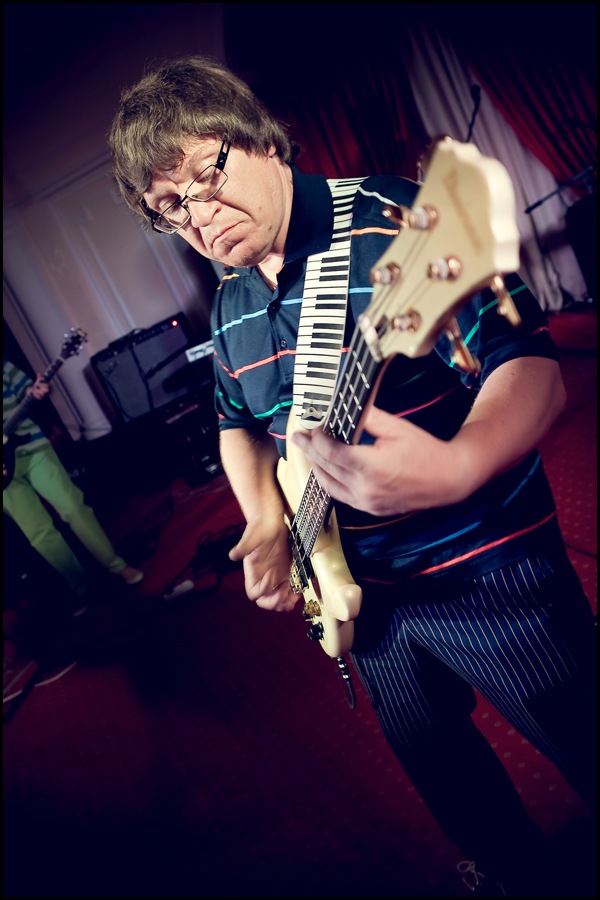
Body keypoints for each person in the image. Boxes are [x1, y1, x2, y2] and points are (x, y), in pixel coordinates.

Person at [108, 56, 597, 896]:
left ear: (262, 139)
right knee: (457, 790)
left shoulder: (397, 221)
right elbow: (237, 423)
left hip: (489, 572)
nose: (198, 214)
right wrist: (267, 519)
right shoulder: (229, 303)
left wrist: (462, 463)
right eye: (170, 207)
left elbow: (530, 365)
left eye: (205, 175)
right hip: (363, 607)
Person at [3, 358, 144, 613]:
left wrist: (35, 391)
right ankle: (82, 588)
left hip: (31, 447)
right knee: (38, 533)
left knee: (73, 506)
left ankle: (117, 566)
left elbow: (26, 390)